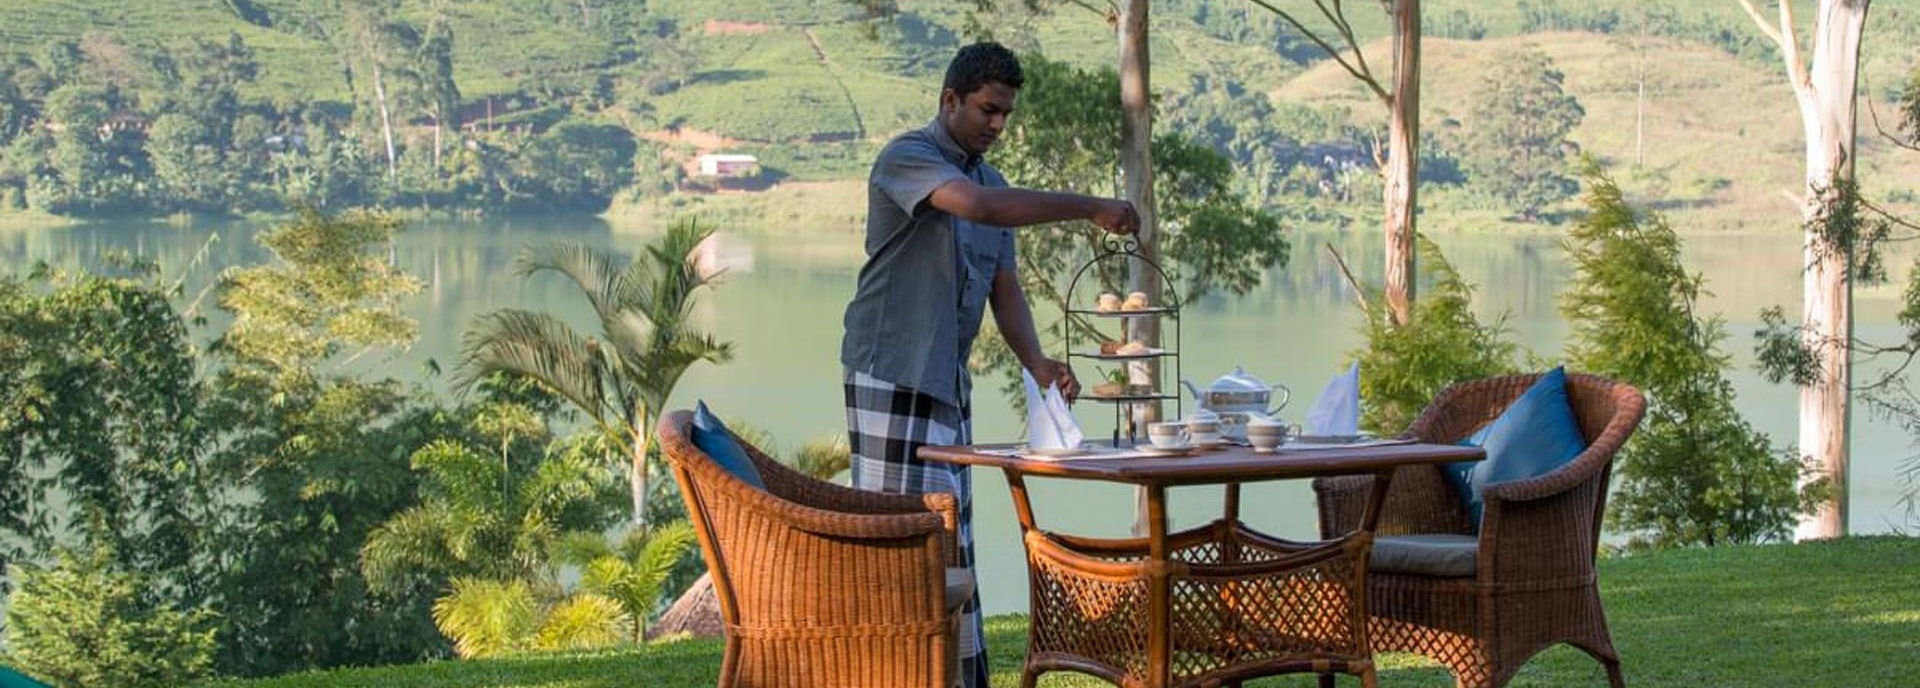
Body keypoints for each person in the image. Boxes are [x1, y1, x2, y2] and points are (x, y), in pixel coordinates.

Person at [840, 42, 1138, 688]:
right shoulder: (908, 157)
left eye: (1005, 115)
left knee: (952, 531)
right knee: (900, 537)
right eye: (987, 110)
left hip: (946, 377)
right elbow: (980, 212)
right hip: (890, 369)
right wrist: (1089, 205)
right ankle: (892, 672)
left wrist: (1038, 362)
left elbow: (1004, 285)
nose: (997, 125)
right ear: (950, 100)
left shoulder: (993, 181)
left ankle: (957, 676)